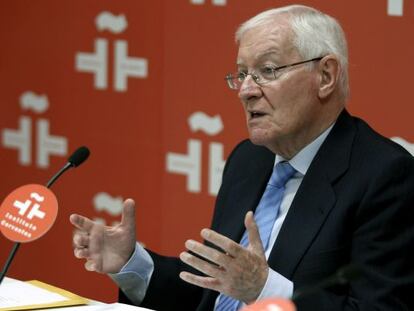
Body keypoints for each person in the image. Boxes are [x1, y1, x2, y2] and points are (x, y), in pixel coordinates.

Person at [70, 4, 414, 311]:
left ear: (325, 75)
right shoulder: (250, 159)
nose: (247, 90)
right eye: (242, 74)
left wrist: (264, 291)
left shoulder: (385, 176)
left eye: (267, 70)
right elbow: (211, 292)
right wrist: (133, 264)